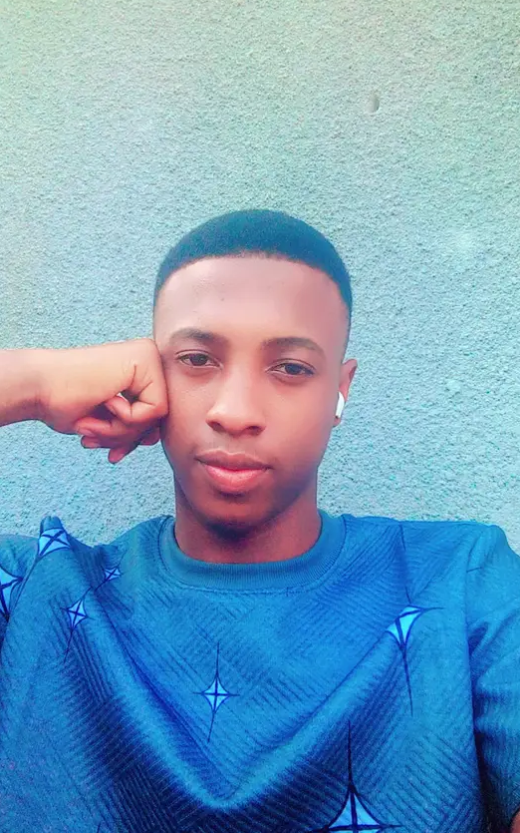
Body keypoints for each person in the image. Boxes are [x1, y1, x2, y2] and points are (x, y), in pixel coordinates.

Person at [0, 209, 518, 833]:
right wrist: (33, 383)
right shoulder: (34, 590)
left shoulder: (465, 584)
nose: (236, 410)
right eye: (196, 359)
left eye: (291, 368)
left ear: (340, 392)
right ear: (149, 373)